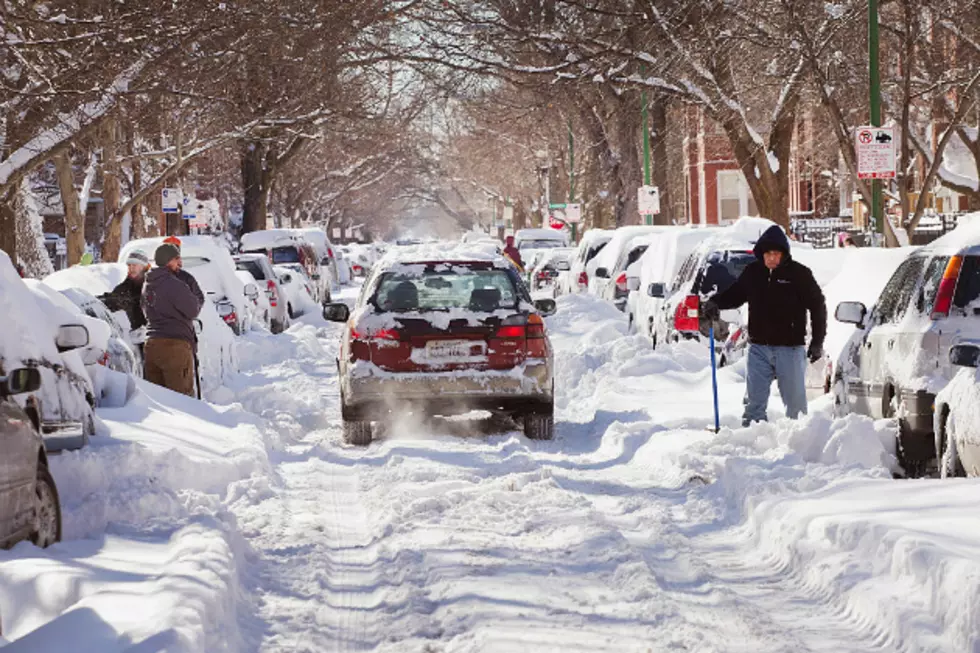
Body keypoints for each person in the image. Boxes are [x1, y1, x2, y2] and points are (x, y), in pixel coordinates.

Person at [700, 225, 827, 427]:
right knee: (753, 404)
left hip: (790, 349)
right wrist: (716, 302)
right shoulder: (753, 273)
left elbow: (818, 307)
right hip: (758, 348)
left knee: (796, 406)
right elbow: (736, 295)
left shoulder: (799, 275)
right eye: (767, 253)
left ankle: (800, 443)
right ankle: (752, 439)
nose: (771, 258)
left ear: (784, 254)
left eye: (776, 253)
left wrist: (817, 342)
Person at [141, 243, 204, 397]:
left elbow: (144, 311)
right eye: (177, 259)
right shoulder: (174, 285)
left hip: (151, 345)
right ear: (168, 260)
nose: (180, 263)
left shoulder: (148, 284)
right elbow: (193, 309)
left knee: (159, 401)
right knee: (182, 399)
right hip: (175, 346)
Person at [100, 251, 151, 348]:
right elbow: (112, 299)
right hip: (135, 339)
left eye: (134, 265)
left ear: (143, 266)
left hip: (154, 338)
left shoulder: (153, 284)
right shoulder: (126, 286)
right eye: (129, 265)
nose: (131, 268)